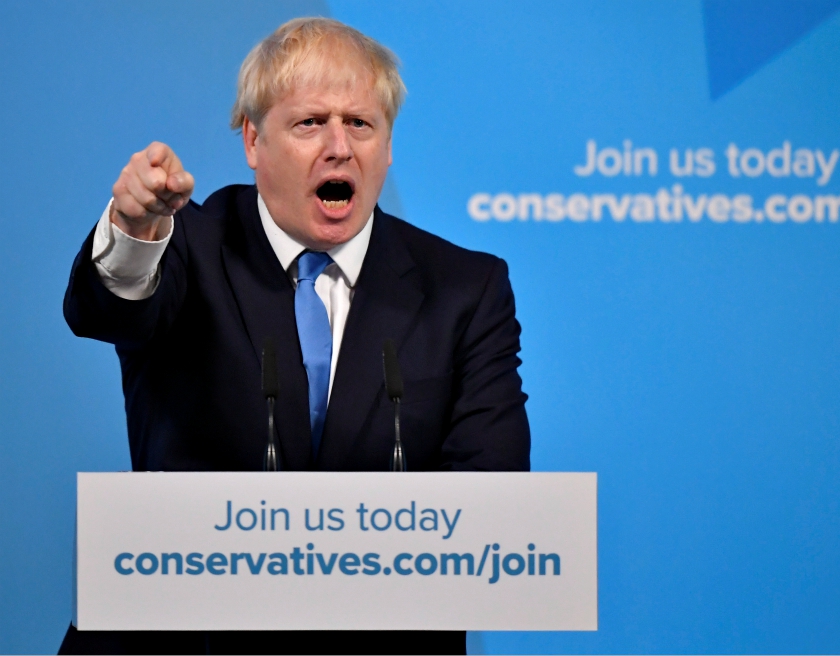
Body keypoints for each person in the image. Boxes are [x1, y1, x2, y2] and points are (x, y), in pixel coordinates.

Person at [60, 17, 530, 656]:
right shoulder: (189, 244)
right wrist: (135, 230)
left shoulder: (464, 288)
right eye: (310, 123)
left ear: (387, 145)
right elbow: (108, 311)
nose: (340, 146)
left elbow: (490, 500)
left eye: (360, 124)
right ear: (254, 139)